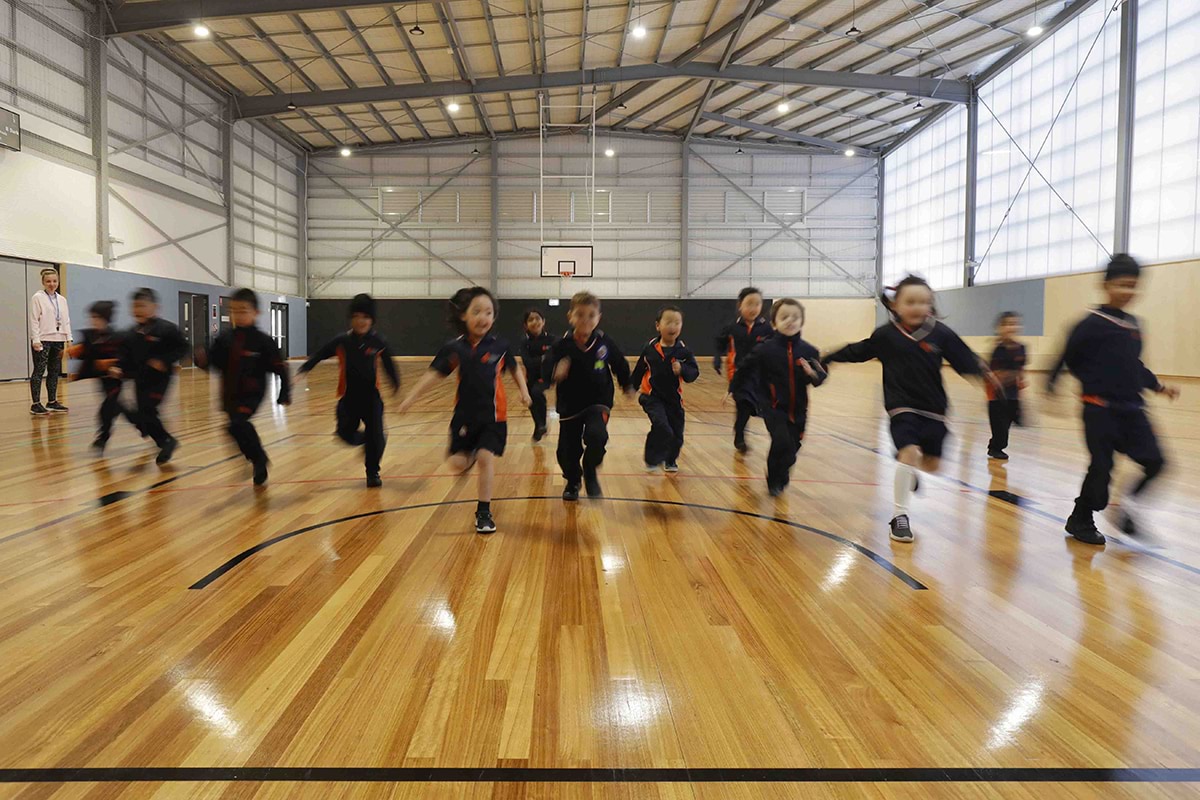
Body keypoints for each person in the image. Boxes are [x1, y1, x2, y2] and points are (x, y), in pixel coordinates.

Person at [823, 275, 991, 543]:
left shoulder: (941, 333)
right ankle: (900, 516)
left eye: (923, 302)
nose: (917, 307)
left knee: (932, 465)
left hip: (934, 410)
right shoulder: (886, 335)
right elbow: (859, 350)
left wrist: (984, 375)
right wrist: (829, 358)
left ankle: (909, 468)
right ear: (896, 306)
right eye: (910, 302)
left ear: (931, 306)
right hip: (901, 406)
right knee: (909, 450)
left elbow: (964, 359)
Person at [1047, 254, 1180, 545]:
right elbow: (1065, 356)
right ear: (1105, 285)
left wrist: (1158, 386)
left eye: (1134, 286)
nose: (1128, 292)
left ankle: (1126, 508)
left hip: (1132, 410)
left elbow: (1134, 365)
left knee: (1157, 462)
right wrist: (1051, 386)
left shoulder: (1134, 325)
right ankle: (1081, 519)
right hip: (1099, 410)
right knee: (1101, 468)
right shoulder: (1090, 324)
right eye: (1122, 285)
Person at [399, 288, 531, 534]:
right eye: (477, 311)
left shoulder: (500, 345)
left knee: (485, 457)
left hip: (494, 418)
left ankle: (484, 512)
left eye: (489, 312)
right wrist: (411, 398)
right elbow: (434, 375)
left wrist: (524, 392)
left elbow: (514, 369)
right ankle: (466, 457)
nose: (483, 317)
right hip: (464, 418)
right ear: (463, 316)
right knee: (457, 464)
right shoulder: (454, 348)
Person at [297, 293, 399, 487]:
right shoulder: (342, 341)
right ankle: (370, 440)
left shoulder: (378, 342)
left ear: (372, 320)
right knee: (344, 434)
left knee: (376, 434)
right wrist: (304, 369)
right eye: (357, 316)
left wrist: (396, 386)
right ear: (351, 318)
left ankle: (372, 472)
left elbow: (389, 365)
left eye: (366, 317)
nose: (361, 321)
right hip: (348, 399)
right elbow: (319, 355)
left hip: (372, 399)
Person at [194, 289, 291, 486]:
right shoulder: (225, 338)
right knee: (232, 428)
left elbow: (280, 368)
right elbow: (214, 363)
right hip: (229, 393)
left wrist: (284, 392)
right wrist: (202, 361)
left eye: (243, 310)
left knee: (238, 423)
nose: (238, 315)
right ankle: (257, 459)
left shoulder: (263, 342)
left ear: (256, 312)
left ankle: (259, 458)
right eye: (234, 310)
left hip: (252, 392)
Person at [730, 299, 827, 495]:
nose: (790, 321)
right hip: (773, 407)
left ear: (802, 321)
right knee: (781, 441)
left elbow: (820, 377)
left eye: (795, 317)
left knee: (792, 448)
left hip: (799, 409)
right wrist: (733, 388)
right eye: (784, 317)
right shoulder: (766, 349)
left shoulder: (809, 351)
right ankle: (774, 480)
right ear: (774, 323)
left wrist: (812, 374)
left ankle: (782, 472)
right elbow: (745, 368)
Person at [545, 291, 632, 501]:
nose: (585, 320)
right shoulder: (562, 345)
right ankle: (573, 480)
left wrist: (627, 384)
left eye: (591, 315)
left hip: (598, 401)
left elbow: (620, 363)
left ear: (598, 318)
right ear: (570, 317)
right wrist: (554, 373)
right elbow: (545, 369)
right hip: (570, 404)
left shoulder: (604, 342)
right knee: (567, 451)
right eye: (580, 314)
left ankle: (591, 470)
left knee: (597, 435)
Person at [112, 287, 188, 465]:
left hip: (160, 379)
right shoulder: (131, 334)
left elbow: (183, 348)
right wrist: (117, 366)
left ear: (154, 307)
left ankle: (166, 441)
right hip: (140, 379)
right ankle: (158, 436)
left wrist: (164, 361)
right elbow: (124, 355)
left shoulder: (167, 329)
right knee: (138, 412)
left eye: (142, 305)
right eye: (135, 306)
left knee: (148, 410)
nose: (138, 310)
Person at [630, 305, 700, 472]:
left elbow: (693, 373)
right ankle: (652, 458)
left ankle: (670, 460)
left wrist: (682, 369)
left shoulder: (683, 351)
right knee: (662, 426)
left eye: (677, 322)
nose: (673, 326)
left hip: (674, 399)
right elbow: (640, 369)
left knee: (677, 434)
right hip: (651, 397)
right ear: (658, 326)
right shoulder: (649, 348)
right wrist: (631, 387)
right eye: (668, 322)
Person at [67, 300, 137, 452]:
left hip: (115, 380)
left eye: (96, 318)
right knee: (118, 407)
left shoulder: (117, 337)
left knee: (107, 409)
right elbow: (88, 354)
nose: (93, 321)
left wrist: (117, 367)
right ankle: (141, 423)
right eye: (91, 317)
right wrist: (75, 353)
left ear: (105, 319)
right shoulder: (91, 336)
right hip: (102, 380)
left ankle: (102, 439)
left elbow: (125, 357)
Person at [714, 287, 771, 453]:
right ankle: (739, 435)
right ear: (740, 305)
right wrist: (717, 358)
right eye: (749, 304)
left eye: (757, 304)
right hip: (738, 373)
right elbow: (720, 344)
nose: (753, 308)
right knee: (743, 405)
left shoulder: (766, 328)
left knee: (757, 405)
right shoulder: (732, 327)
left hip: (760, 375)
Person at [29, 267, 72, 415]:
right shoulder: (38, 297)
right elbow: (34, 320)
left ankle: (52, 401)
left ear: (58, 281)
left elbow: (66, 320)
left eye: (54, 281)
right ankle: (35, 404)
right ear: (43, 282)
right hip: (42, 340)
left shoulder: (62, 300)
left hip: (58, 339)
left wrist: (69, 338)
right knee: (39, 371)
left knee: (54, 371)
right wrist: (36, 339)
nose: (52, 284)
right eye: (48, 281)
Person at [986, 311, 1027, 460]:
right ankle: (995, 448)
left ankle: (1016, 416)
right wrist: (1010, 375)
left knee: (1010, 421)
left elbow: (1020, 369)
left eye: (1015, 323)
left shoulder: (1021, 348)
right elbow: (996, 374)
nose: (1012, 327)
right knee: (1000, 428)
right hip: (996, 396)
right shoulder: (998, 350)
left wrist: (1020, 380)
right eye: (1008, 324)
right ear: (1000, 328)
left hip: (1013, 394)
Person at [518, 308, 555, 442]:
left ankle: (542, 423)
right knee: (530, 398)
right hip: (531, 377)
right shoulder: (524, 342)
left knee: (536, 392)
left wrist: (544, 361)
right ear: (525, 325)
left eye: (537, 318)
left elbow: (554, 359)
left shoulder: (551, 340)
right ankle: (538, 425)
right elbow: (527, 362)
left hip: (547, 376)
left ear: (543, 321)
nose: (535, 322)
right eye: (530, 319)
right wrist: (544, 359)